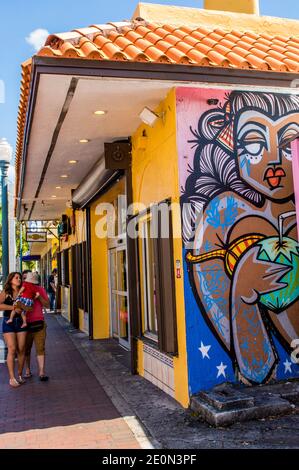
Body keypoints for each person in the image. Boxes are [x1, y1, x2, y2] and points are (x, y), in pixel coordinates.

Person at [0, 272, 27, 387]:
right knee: (12, 348)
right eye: (16, 277)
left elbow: (28, 305)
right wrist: (13, 307)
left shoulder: (23, 291)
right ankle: (12, 378)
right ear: (10, 280)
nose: (19, 279)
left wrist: (25, 307)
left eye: (20, 277)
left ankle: (20, 375)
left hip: (21, 322)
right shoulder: (6, 292)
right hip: (8, 321)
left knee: (21, 349)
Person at [24, 272, 50, 381]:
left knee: (40, 348)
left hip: (39, 323)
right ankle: (27, 370)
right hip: (25, 325)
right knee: (26, 349)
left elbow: (47, 305)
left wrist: (38, 297)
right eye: (24, 278)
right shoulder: (21, 290)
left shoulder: (40, 289)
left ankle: (41, 372)